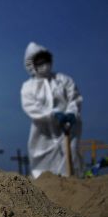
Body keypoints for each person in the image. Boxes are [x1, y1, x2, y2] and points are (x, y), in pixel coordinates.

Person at [21, 42, 83, 178]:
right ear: (32, 65)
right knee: (42, 171)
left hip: (68, 129)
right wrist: (52, 115)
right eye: (40, 62)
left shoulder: (63, 80)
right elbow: (31, 107)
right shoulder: (28, 87)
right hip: (43, 135)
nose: (44, 65)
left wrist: (71, 113)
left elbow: (75, 98)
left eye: (46, 60)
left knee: (70, 159)